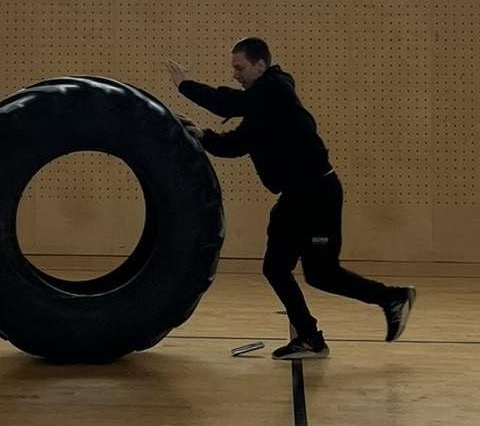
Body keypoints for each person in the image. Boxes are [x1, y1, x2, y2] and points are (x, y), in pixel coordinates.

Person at [168, 38, 415, 360]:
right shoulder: (262, 105)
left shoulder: (275, 90)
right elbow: (236, 144)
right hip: (298, 196)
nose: (235, 75)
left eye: (240, 68)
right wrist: (202, 135)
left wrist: (185, 86)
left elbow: (227, 104)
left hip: (317, 195)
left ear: (261, 65)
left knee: (319, 272)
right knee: (283, 269)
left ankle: (389, 300)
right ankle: (315, 335)